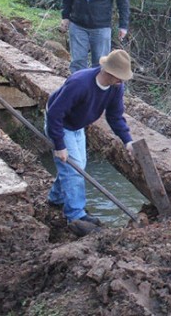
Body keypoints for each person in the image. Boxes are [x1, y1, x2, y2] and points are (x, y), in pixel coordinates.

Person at [45, 49, 135, 236]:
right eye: (120, 77)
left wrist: (127, 140)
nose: (122, 81)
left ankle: (55, 198)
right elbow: (55, 114)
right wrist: (59, 145)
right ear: (110, 73)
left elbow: (115, 116)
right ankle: (76, 215)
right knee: (74, 169)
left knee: (77, 167)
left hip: (78, 125)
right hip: (61, 123)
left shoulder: (115, 88)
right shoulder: (80, 83)